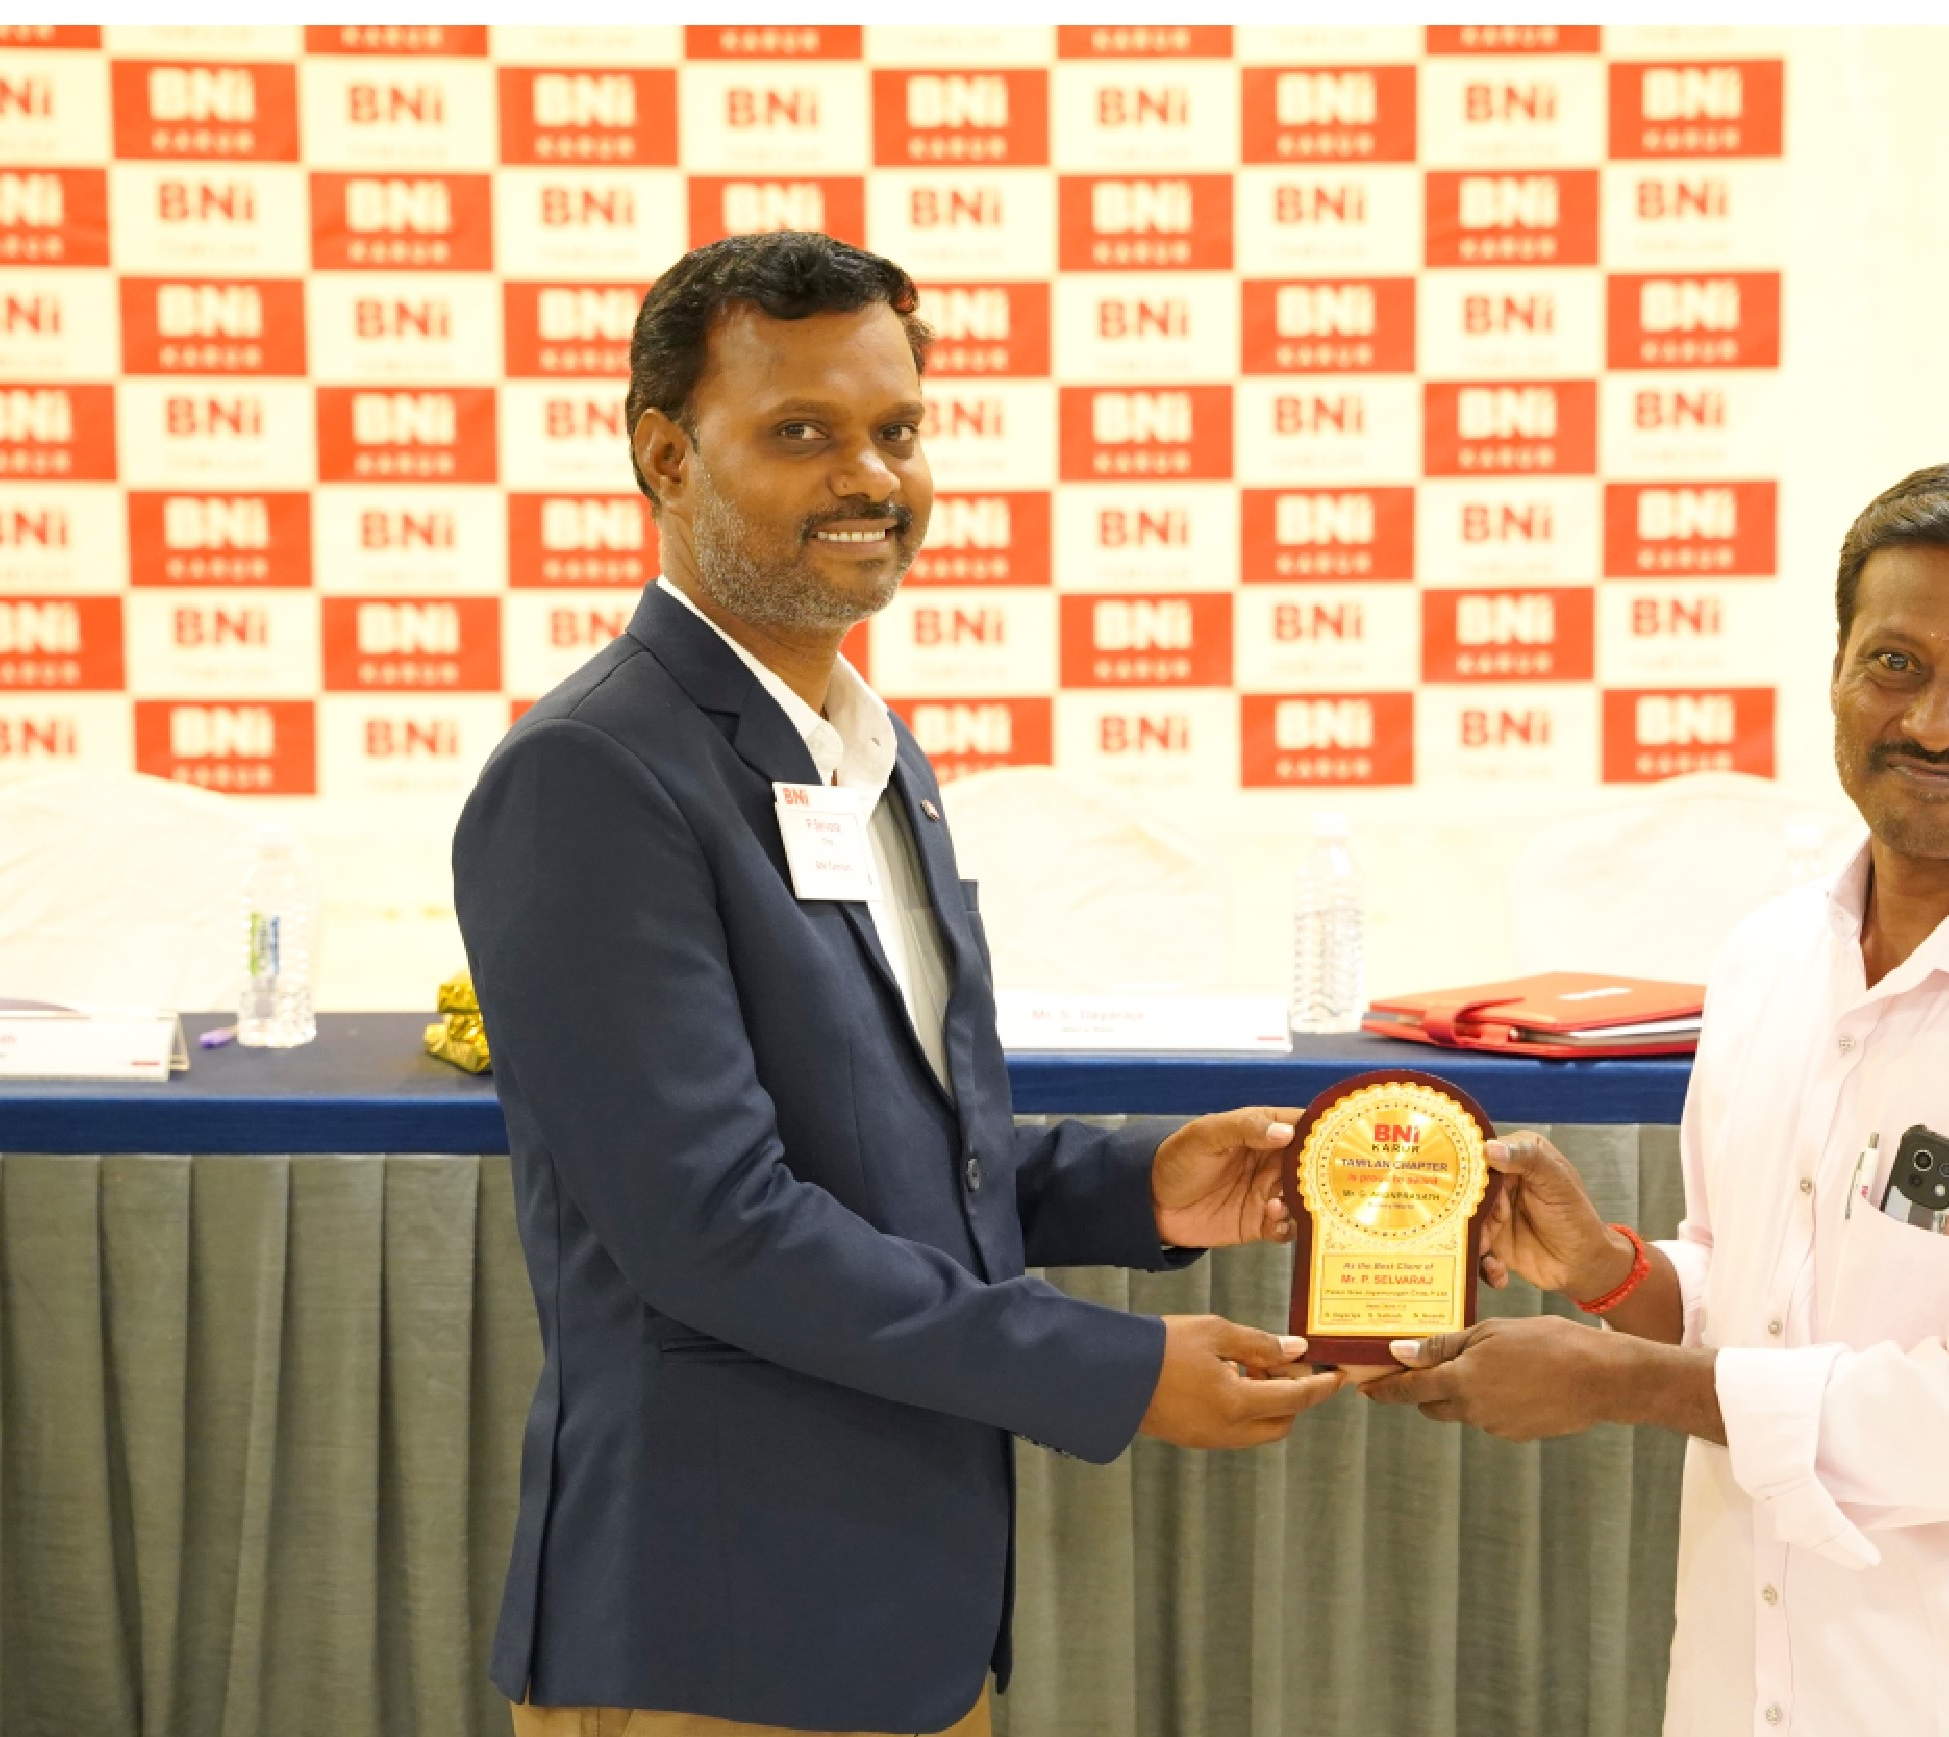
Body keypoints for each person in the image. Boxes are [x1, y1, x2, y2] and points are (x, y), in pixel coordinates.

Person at [453, 231, 1343, 1737]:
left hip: (902, 1624)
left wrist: (1137, 1190)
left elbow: (882, 1155)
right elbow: (715, 1230)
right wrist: (1114, 1370)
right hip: (712, 1636)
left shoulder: (868, 752)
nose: (868, 476)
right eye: (801, 432)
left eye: (896, 428)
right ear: (664, 456)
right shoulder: (589, 775)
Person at [1366, 463, 1949, 1736]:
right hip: (1739, 1688)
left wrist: (1620, 1384)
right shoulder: (1768, 960)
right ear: (1835, 666)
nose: (1933, 722)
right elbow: (1758, 1296)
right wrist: (1611, 1272)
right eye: (1894, 663)